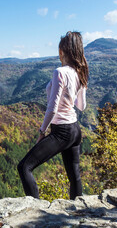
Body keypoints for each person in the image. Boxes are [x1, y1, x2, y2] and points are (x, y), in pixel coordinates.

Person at [17, 31, 88, 200]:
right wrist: (79, 88)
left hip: (61, 130)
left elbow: (52, 108)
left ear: (62, 51)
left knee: (24, 167)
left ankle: (35, 210)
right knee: (74, 176)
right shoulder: (80, 72)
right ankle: (78, 212)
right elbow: (82, 106)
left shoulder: (60, 72)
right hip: (75, 130)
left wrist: (42, 132)